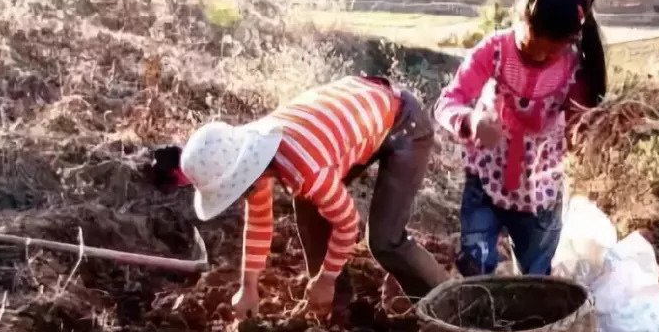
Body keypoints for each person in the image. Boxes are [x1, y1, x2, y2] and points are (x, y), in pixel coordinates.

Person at [152, 76, 450, 318]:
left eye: (237, 189)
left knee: (385, 240)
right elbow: (259, 222)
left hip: (403, 123)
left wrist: (326, 278)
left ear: (245, 171)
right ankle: (335, 308)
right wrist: (248, 286)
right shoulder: (253, 155)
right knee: (308, 206)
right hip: (356, 118)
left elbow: (348, 224)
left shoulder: (304, 168)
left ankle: (451, 306)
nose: (240, 196)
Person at [434, 0, 607, 277]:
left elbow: (580, 129)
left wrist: (597, 129)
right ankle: (479, 320)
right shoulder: (495, 51)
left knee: (535, 280)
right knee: (475, 267)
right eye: (530, 47)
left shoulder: (573, 69)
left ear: (569, 43)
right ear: (519, 18)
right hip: (485, 182)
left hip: (539, 192)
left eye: (550, 52)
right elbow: (447, 102)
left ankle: (523, 324)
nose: (539, 57)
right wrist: (470, 121)